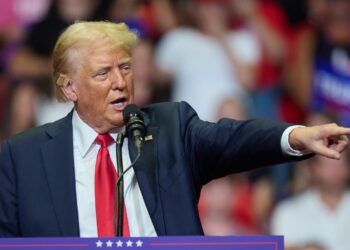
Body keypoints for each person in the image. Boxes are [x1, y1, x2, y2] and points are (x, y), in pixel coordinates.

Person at [0, 21, 350, 238]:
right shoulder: (23, 157)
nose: (121, 83)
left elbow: (232, 139)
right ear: (69, 88)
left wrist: (296, 136)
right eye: (103, 73)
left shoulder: (168, 127)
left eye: (125, 68)